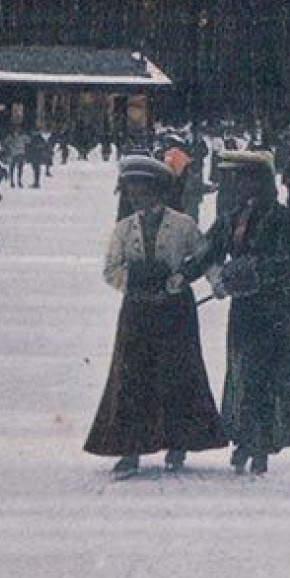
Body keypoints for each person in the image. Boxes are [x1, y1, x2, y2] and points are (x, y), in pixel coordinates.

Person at [86, 156, 228, 480]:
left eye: (144, 191)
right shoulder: (123, 230)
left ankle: (178, 443)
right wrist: (136, 277)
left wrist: (217, 282)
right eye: (133, 192)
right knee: (132, 379)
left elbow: (205, 258)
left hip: (175, 311)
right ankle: (130, 449)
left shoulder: (184, 225)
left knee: (179, 375)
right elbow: (110, 270)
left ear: (159, 192)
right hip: (137, 311)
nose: (138, 198)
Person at [206, 151, 290, 474]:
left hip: (276, 307)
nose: (239, 185)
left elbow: (286, 261)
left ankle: (262, 444)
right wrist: (206, 275)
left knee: (267, 374)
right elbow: (208, 249)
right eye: (236, 179)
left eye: (245, 178)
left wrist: (247, 273)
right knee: (242, 370)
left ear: (260, 181)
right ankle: (243, 437)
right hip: (245, 307)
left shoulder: (279, 217)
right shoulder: (232, 216)